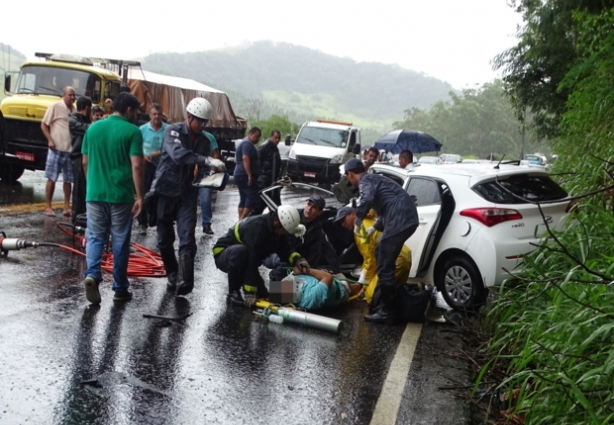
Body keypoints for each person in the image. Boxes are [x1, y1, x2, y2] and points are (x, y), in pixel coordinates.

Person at [149, 98, 226, 296]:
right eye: (199, 121)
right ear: (189, 117)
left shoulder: (204, 141)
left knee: (187, 236)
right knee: (165, 240)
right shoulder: (172, 131)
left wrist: (214, 176)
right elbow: (179, 155)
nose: (201, 125)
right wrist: (207, 160)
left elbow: (200, 170)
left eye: (205, 122)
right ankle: (173, 274)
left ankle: (186, 281)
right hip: (166, 191)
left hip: (186, 194)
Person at [80, 92, 145, 304]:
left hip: (95, 193)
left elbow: (84, 162)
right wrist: (140, 196)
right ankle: (119, 288)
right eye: (135, 111)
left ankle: (92, 275)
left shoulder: (93, 128)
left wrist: (92, 186)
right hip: (121, 196)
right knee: (119, 240)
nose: (136, 116)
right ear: (129, 110)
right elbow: (137, 165)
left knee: (96, 237)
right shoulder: (133, 131)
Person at [343, 158, 419, 323]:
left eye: (347, 177)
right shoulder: (376, 179)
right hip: (404, 217)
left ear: (350, 174)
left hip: (401, 218)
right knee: (381, 254)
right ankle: (389, 304)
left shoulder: (366, 181)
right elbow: (387, 206)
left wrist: (358, 220)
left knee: (384, 263)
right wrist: (375, 228)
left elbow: (367, 198)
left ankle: (387, 311)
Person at [212, 205, 309, 307]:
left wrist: (298, 259)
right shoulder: (256, 229)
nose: (286, 233)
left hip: (244, 259)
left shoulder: (275, 229)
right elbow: (251, 261)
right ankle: (233, 293)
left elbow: (285, 250)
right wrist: (249, 292)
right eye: (285, 230)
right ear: (276, 224)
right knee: (241, 251)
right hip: (225, 254)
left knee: (262, 294)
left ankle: (277, 295)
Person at [334, 206, 412, 305]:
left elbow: (370, 261)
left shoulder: (361, 229)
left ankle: (385, 316)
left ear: (353, 214)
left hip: (395, 261)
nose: (342, 224)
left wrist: (363, 285)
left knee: (372, 296)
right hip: (404, 256)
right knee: (397, 291)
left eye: (343, 219)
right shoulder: (368, 219)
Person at [268, 194, 340, 281]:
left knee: (318, 246)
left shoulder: (317, 227)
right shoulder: (293, 217)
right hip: (274, 252)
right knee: (284, 265)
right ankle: (275, 283)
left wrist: (337, 272)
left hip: (292, 255)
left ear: (320, 212)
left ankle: (296, 285)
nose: (309, 209)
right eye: (308, 204)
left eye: (314, 207)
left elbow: (328, 248)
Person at [41, 86, 76, 217]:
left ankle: (66, 206)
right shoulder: (55, 107)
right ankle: (48, 206)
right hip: (56, 148)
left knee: (68, 180)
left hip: (69, 150)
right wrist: (50, 139)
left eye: (73, 95)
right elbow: (44, 124)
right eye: (69, 95)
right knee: (52, 178)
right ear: (63, 95)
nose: (72, 97)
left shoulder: (75, 110)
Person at [137, 104, 167, 235]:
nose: (157, 117)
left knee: (159, 195)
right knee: (143, 193)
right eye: (154, 114)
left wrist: (159, 152)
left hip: (162, 166)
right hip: (145, 166)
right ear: (150, 115)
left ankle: (157, 221)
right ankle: (142, 223)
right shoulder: (142, 129)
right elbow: (135, 147)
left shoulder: (168, 130)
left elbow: (171, 147)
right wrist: (143, 155)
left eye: (159, 114)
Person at [281, 267, 362, 311]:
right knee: (357, 287)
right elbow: (328, 277)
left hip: (321, 277)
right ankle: (363, 288)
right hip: (340, 288)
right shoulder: (311, 298)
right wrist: (305, 270)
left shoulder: (290, 285)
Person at [199, 130, 229, 236]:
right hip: (189, 172)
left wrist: (213, 169)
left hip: (205, 172)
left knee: (205, 198)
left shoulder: (209, 137)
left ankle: (206, 224)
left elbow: (215, 153)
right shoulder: (186, 136)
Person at [68, 96, 92, 223]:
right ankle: (76, 218)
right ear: (87, 107)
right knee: (78, 189)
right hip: (78, 157)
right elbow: (87, 128)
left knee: (87, 188)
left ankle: (85, 216)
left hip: (88, 156)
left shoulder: (86, 119)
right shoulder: (73, 120)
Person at [234, 127, 261, 219]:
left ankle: (239, 220)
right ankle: (242, 220)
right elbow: (245, 158)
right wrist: (249, 175)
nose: (257, 139)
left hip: (239, 174)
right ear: (251, 133)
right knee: (251, 197)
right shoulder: (247, 143)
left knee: (243, 198)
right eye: (256, 136)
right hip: (244, 174)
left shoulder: (244, 142)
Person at [254, 129, 282, 213]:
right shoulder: (264, 147)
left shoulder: (275, 149)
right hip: (264, 183)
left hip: (273, 184)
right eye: (275, 138)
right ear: (271, 136)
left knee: (276, 209)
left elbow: (277, 166)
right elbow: (256, 163)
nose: (277, 140)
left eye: (278, 138)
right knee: (258, 208)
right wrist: (259, 180)